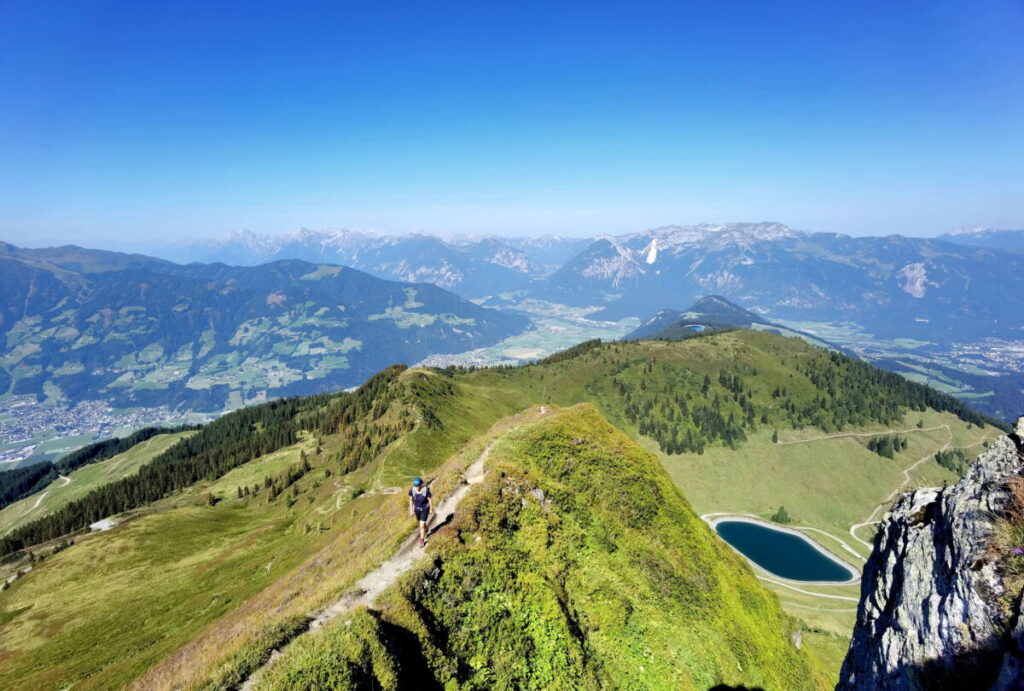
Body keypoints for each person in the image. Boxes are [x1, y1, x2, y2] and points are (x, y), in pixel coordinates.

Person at [408, 477, 432, 548]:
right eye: (415, 486)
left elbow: (430, 500)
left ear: (421, 485)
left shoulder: (426, 491)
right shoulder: (412, 491)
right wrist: (411, 510)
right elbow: (411, 500)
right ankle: (426, 529)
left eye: (418, 486)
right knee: (422, 523)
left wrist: (431, 508)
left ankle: (422, 540)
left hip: (425, 509)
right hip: (417, 510)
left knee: (421, 525)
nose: (416, 487)